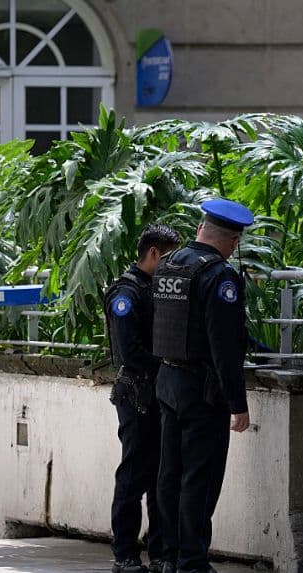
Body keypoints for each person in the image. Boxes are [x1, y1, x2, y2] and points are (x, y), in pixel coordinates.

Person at [153, 198, 254, 573]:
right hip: (202, 392)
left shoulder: (168, 265)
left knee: (169, 475)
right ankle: (193, 562)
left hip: (168, 382)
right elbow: (223, 346)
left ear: (200, 230)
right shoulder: (219, 276)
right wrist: (237, 403)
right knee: (200, 477)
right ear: (232, 241)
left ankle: (167, 556)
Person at [106, 224, 182, 573]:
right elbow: (130, 352)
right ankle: (125, 553)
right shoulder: (127, 293)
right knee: (134, 475)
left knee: (160, 476)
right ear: (153, 253)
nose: (173, 266)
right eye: (168, 258)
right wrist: (170, 363)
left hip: (159, 392)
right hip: (137, 393)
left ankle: (161, 551)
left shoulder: (156, 288)